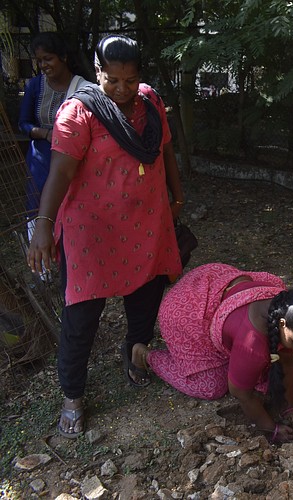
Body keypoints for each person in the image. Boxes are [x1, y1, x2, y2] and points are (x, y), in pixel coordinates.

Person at [27, 35, 186, 438]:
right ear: (97, 72)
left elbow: (165, 150)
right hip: (91, 230)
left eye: (129, 80)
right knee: (82, 315)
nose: (121, 89)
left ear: (139, 76)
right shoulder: (78, 112)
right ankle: (72, 396)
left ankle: (136, 354)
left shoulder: (150, 102)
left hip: (146, 222)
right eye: (112, 80)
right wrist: (44, 223)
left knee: (146, 296)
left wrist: (177, 194)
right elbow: (61, 171)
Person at [135, 263, 293, 443]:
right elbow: (241, 393)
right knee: (210, 386)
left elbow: (288, 360)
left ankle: (232, 346)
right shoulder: (253, 344)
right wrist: (270, 429)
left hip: (212, 283)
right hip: (186, 312)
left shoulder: (287, 306)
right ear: (282, 324)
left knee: (262, 372)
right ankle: (145, 355)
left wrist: (289, 409)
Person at [18, 32, 90, 238]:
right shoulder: (34, 86)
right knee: (39, 209)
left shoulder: (83, 88)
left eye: (48, 59)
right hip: (41, 159)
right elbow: (23, 123)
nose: (43, 65)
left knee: (72, 208)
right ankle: (40, 251)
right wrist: (46, 133)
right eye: (39, 60)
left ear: (63, 57)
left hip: (73, 160)